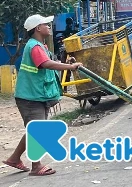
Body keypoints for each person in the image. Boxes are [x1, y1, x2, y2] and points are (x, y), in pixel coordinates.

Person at [3, 14, 82, 176]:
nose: (49, 26)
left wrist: (66, 63)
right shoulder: (35, 47)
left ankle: (14, 158)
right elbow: (45, 64)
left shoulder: (39, 46)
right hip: (30, 97)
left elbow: (48, 64)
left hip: (35, 95)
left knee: (35, 129)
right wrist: (70, 67)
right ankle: (36, 166)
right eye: (46, 24)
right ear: (38, 28)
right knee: (38, 130)